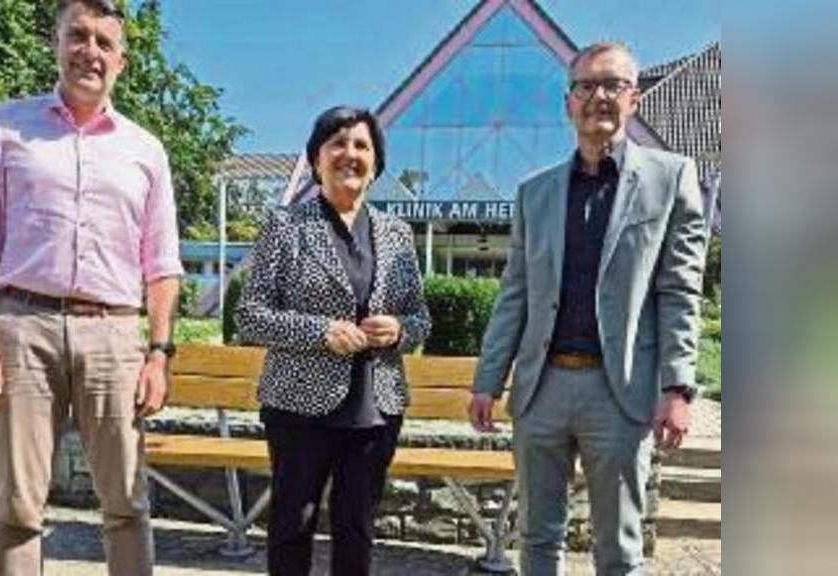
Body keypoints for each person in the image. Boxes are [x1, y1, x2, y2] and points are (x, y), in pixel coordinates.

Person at [0, 1, 183, 574]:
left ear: (122, 61)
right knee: (17, 506)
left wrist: (159, 354)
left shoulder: (146, 150)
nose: (90, 52)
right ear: (55, 43)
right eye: (77, 36)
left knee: (126, 504)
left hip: (113, 335)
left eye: (105, 42)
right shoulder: (5, 126)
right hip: (23, 329)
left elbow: (161, 265)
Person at [467, 42, 707, 576]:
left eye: (613, 84)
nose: (599, 95)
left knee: (618, 549)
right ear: (568, 103)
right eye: (586, 85)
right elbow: (514, 294)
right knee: (536, 538)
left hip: (619, 392)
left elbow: (679, 290)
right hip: (541, 389)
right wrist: (488, 380)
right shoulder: (534, 193)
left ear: (634, 99)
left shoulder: (671, 178)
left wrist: (677, 387)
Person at [236, 106, 431, 576]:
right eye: (337, 143)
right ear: (316, 159)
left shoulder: (397, 233)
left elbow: (420, 318)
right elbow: (249, 315)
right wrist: (319, 332)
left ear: (376, 163)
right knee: (292, 525)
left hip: (376, 408)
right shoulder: (285, 226)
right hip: (298, 407)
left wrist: (400, 330)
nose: (350, 154)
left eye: (362, 145)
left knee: (357, 529)